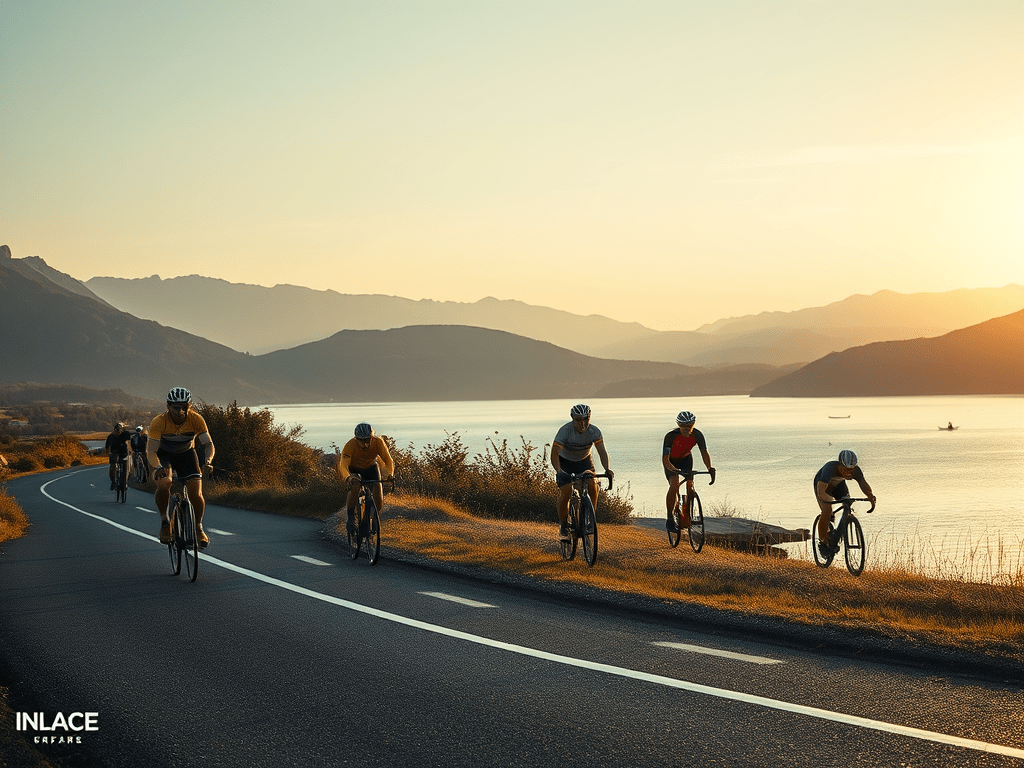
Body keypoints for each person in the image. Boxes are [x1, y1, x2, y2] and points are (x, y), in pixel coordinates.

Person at [147, 388, 215, 548]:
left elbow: (208, 445)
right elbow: (151, 451)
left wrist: (208, 460)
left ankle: (198, 527)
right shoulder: (159, 422)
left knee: (195, 493)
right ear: (168, 407)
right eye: (176, 407)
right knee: (164, 484)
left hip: (186, 455)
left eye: (185, 407)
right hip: (164, 455)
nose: (181, 411)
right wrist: (157, 467)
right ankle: (165, 522)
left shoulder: (196, 419)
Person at [550, 404, 613, 541]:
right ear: (572, 418)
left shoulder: (594, 431)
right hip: (565, 463)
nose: (582, 423)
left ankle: (590, 518)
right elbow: (554, 453)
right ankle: (564, 526)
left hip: (584, 462)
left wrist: (607, 469)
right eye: (578, 420)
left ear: (589, 418)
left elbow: (602, 452)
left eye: (585, 419)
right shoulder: (565, 431)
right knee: (566, 491)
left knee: (593, 486)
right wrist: (559, 471)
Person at [336, 423, 395, 537]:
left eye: (368, 440)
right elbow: (343, 465)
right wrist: (348, 477)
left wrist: (389, 474)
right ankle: (350, 517)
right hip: (354, 469)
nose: (365, 443)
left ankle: (369, 519)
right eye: (362, 440)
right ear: (356, 439)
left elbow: (388, 461)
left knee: (378, 498)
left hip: (371, 467)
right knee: (356, 486)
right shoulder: (350, 445)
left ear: (372, 437)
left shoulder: (378, 442)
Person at [814, 449, 876, 558]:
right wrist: (827, 506)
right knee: (827, 511)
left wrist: (870, 496)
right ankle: (823, 541)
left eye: (851, 470)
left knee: (847, 505)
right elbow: (821, 491)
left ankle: (839, 530)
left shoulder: (855, 471)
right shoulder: (830, 468)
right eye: (845, 469)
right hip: (823, 486)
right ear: (840, 465)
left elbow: (863, 484)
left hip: (839, 486)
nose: (848, 472)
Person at [662, 411, 716, 531]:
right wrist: (673, 469)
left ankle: (687, 513)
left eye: (689, 426)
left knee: (690, 485)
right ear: (679, 426)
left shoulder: (697, 435)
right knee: (674, 484)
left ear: (693, 425)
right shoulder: (670, 436)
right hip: (671, 462)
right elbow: (665, 459)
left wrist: (709, 468)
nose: (687, 429)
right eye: (684, 427)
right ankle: (670, 518)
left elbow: (704, 452)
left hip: (686, 459)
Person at [105, 422, 132, 490]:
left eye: (119, 430)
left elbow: (129, 442)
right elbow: (107, 448)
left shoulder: (125, 434)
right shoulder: (111, 437)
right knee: (113, 464)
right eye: (117, 430)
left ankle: (125, 482)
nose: (118, 432)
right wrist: (109, 454)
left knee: (126, 467)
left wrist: (130, 450)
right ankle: (113, 481)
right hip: (115, 453)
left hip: (123, 452)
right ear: (114, 430)